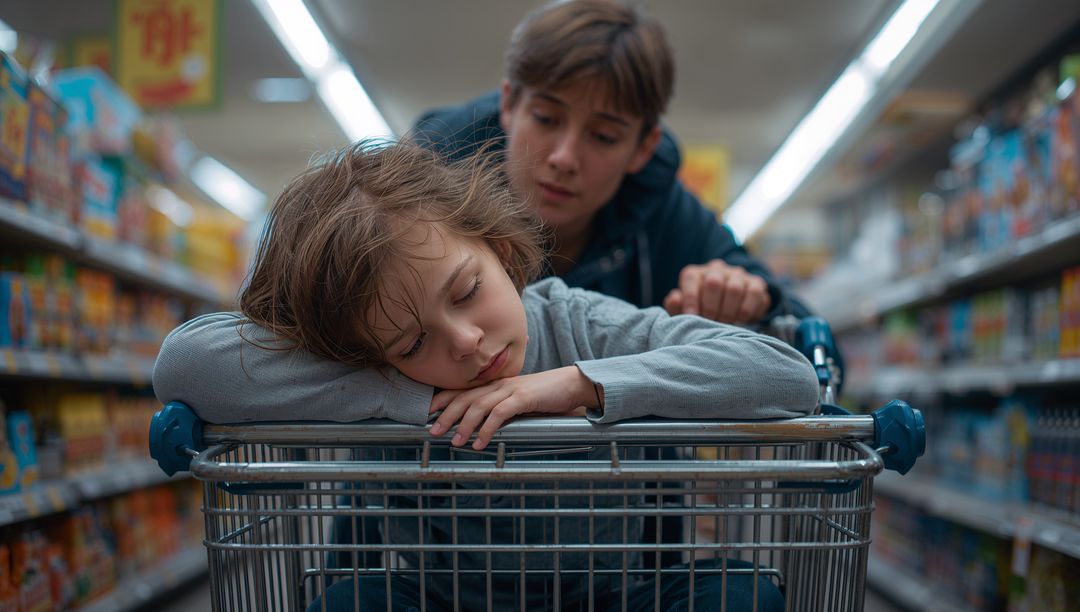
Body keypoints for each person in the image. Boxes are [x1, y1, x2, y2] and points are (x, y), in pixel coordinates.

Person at [153, 141, 817, 610]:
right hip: (442, 599)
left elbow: (786, 377)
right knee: (352, 599)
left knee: (739, 588)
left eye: (467, 291)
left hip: (610, 597)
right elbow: (186, 363)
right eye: (415, 341)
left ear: (498, 250)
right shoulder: (378, 360)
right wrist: (407, 393)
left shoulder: (581, 322)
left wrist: (577, 385)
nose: (466, 343)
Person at [411, 0, 814, 326]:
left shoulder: (661, 209)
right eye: (547, 119)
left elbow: (814, 344)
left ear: (643, 148)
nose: (564, 158)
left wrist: (754, 301)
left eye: (603, 136)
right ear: (509, 105)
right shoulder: (423, 184)